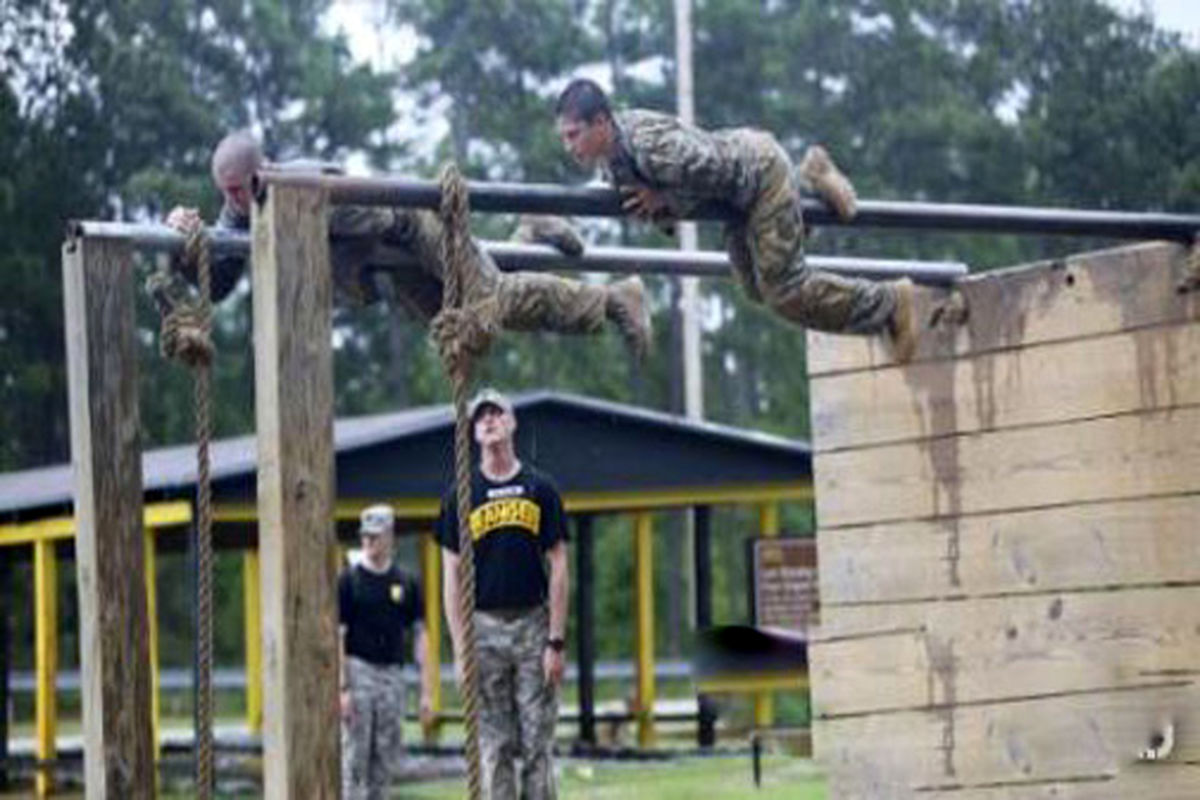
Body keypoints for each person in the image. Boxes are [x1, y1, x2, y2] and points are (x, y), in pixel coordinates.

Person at [164, 130, 651, 359]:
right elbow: (220, 284)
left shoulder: (307, 189)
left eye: (236, 190)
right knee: (473, 327)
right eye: (223, 193)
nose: (232, 202)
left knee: (489, 302)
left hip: (412, 227)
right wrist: (185, 244)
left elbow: (380, 218)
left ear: (261, 172)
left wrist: (326, 252)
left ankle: (614, 298)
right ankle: (530, 232)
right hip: (390, 273)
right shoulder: (240, 209)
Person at [554, 78, 917, 361]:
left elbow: (716, 169)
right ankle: (815, 183)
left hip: (759, 175)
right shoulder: (614, 160)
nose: (569, 146)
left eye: (574, 134)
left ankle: (889, 302)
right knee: (754, 288)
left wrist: (666, 198)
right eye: (564, 138)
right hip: (737, 200)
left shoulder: (650, 147)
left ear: (600, 122)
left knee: (785, 291)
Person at [437, 388, 568, 800]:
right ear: (473, 432)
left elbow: (560, 564)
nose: (489, 421)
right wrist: (460, 652)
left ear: (512, 423)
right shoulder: (460, 495)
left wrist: (556, 641)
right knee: (494, 746)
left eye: (497, 414)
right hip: (484, 628)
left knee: (537, 744)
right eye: (481, 417)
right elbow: (451, 576)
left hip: (532, 624)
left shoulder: (539, 488)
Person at [338, 503, 433, 800]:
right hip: (359, 671)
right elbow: (337, 635)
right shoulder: (349, 581)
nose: (368, 542)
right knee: (356, 756)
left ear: (390, 537)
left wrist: (427, 690)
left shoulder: (406, 582)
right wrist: (342, 688)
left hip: (391, 674)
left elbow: (420, 635)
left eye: (375, 536)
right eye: (365, 536)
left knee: (386, 756)